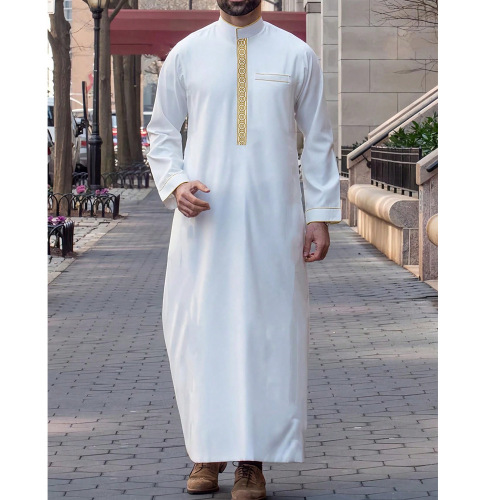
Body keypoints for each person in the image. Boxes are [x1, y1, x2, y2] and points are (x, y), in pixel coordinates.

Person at [146, 1, 341, 498]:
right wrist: (175, 183)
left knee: (266, 334)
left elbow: (319, 139)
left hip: (274, 223)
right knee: (199, 332)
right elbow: (162, 131)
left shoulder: (296, 55)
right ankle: (206, 452)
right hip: (206, 224)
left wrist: (319, 213)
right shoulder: (186, 54)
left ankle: (251, 460)